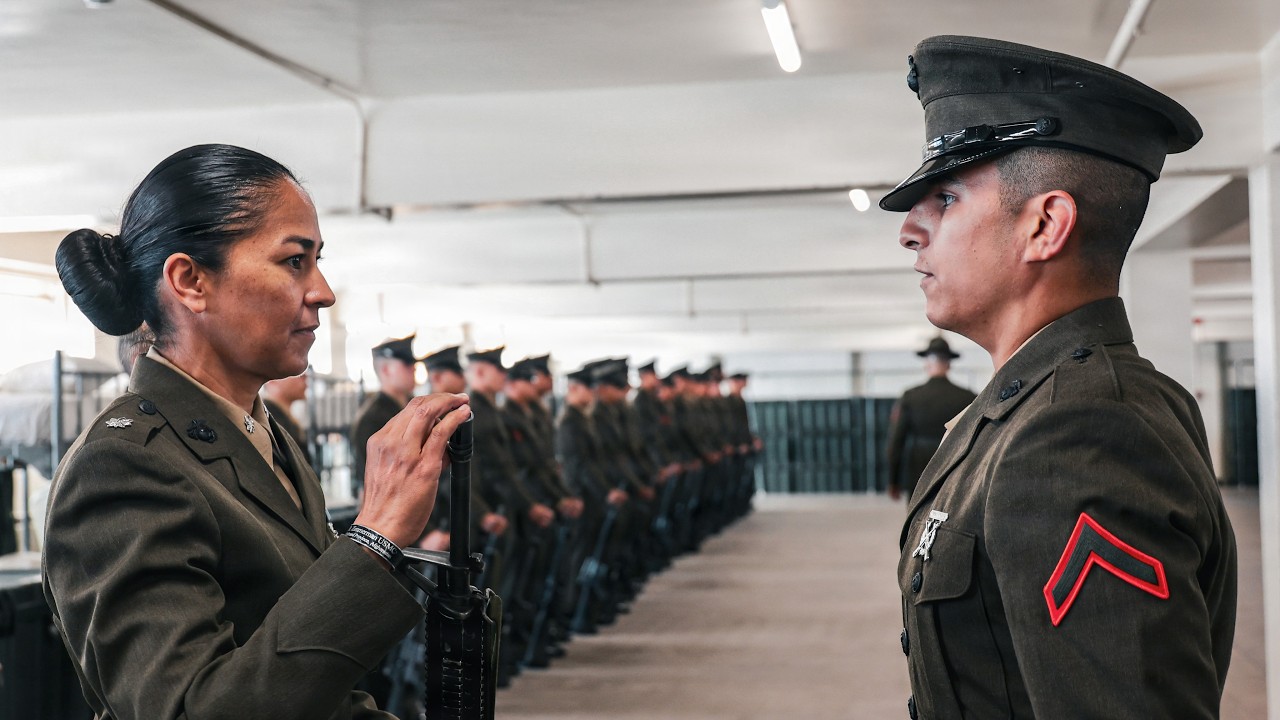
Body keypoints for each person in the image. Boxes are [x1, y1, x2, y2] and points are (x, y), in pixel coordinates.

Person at [43, 143, 470, 720]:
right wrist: (375, 537)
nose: (323, 291)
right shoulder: (123, 466)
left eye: (317, 261)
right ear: (190, 281)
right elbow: (193, 710)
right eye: (294, 261)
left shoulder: (262, 439)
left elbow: (319, 689)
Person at [883, 37, 1237, 719]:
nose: (911, 230)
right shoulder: (1032, 410)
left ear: (1045, 225)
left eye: (947, 198)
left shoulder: (1076, 432)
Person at [883, 337, 976, 502]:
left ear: (926, 363)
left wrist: (893, 481)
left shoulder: (910, 397)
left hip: (918, 469)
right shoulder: (968, 397)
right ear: (949, 364)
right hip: (954, 466)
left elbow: (896, 442)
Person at [351, 335, 418, 496]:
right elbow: (378, 481)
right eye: (407, 364)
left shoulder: (413, 407)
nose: (414, 369)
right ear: (386, 370)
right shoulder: (372, 419)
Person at [262, 370, 313, 468]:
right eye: (299, 374)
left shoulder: (286, 420)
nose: (305, 377)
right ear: (272, 380)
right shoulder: (268, 422)